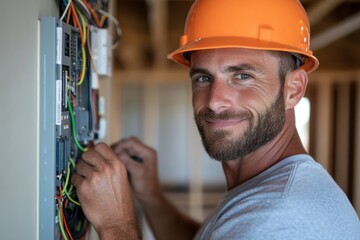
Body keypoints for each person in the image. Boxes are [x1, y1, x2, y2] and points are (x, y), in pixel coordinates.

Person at [71, 0, 360, 239]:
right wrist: (152, 197)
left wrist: (117, 226)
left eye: (242, 76)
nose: (214, 100)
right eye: (203, 77)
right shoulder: (269, 196)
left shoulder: (278, 220)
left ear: (293, 89)